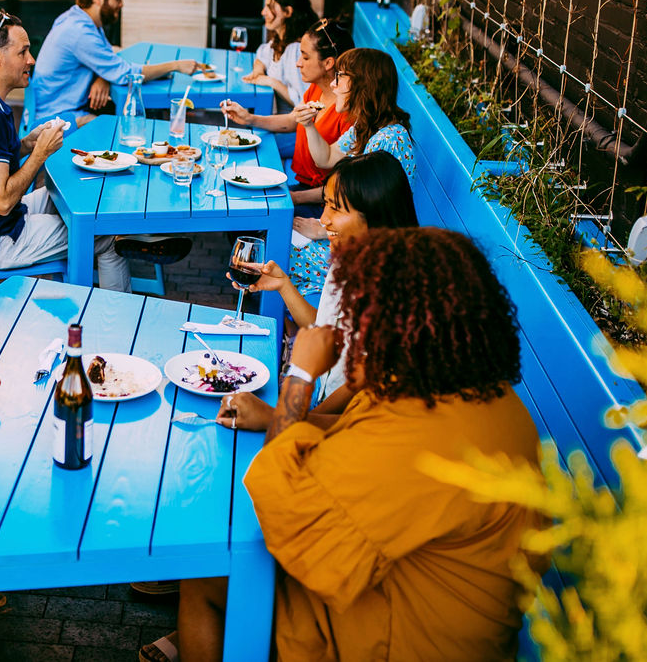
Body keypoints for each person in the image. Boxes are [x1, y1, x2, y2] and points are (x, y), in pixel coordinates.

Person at [149, 227, 544, 662]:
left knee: (208, 574)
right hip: (439, 610)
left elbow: (280, 511)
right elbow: (358, 432)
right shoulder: (482, 395)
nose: (354, 330)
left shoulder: (423, 435)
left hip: (399, 636)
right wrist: (282, 415)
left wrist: (301, 376)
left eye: (362, 317)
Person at [218, 150, 418, 425]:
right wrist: (283, 285)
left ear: (374, 214)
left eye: (336, 208)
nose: (323, 219)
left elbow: (353, 398)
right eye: (325, 204)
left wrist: (279, 419)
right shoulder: (346, 257)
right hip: (315, 399)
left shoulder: (397, 294)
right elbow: (323, 329)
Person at [0, 9, 131, 292]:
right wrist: (40, 153)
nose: (31, 60)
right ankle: (113, 314)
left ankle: (66, 288)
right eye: (23, 52)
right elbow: (2, 201)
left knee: (66, 193)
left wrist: (27, 143)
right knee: (106, 236)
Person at [222, 18, 355, 214]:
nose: (298, 64)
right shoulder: (316, 89)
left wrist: (293, 198)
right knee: (239, 198)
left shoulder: (347, 111)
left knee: (247, 210)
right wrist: (249, 119)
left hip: (324, 204)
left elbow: (346, 185)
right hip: (301, 187)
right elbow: (293, 120)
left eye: (305, 57)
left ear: (328, 63)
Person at [31, 0, 197, 129]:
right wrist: (175, 66)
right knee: (124, 128)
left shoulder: (77, 18)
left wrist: (103, 76)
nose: (121, 4)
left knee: (131, 118)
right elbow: (128, 74)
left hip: (65, 109)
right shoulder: (80, 32)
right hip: (56, 119)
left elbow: (110, 54)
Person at [294, 47, 416, 183]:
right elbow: (326, 159)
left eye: (340, 76)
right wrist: (309, 125)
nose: (333, 84)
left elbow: (369, 194)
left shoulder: (388, 140)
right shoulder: (364, 125)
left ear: (364, 84)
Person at [242, 0, 318, 113]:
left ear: (288, 12)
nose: (263, 12)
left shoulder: (296, 50)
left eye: (269, 7)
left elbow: (303, 101)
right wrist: (258, 71)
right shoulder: (279, 42)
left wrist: (271, 82)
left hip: (291, 124)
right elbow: (262, 54)